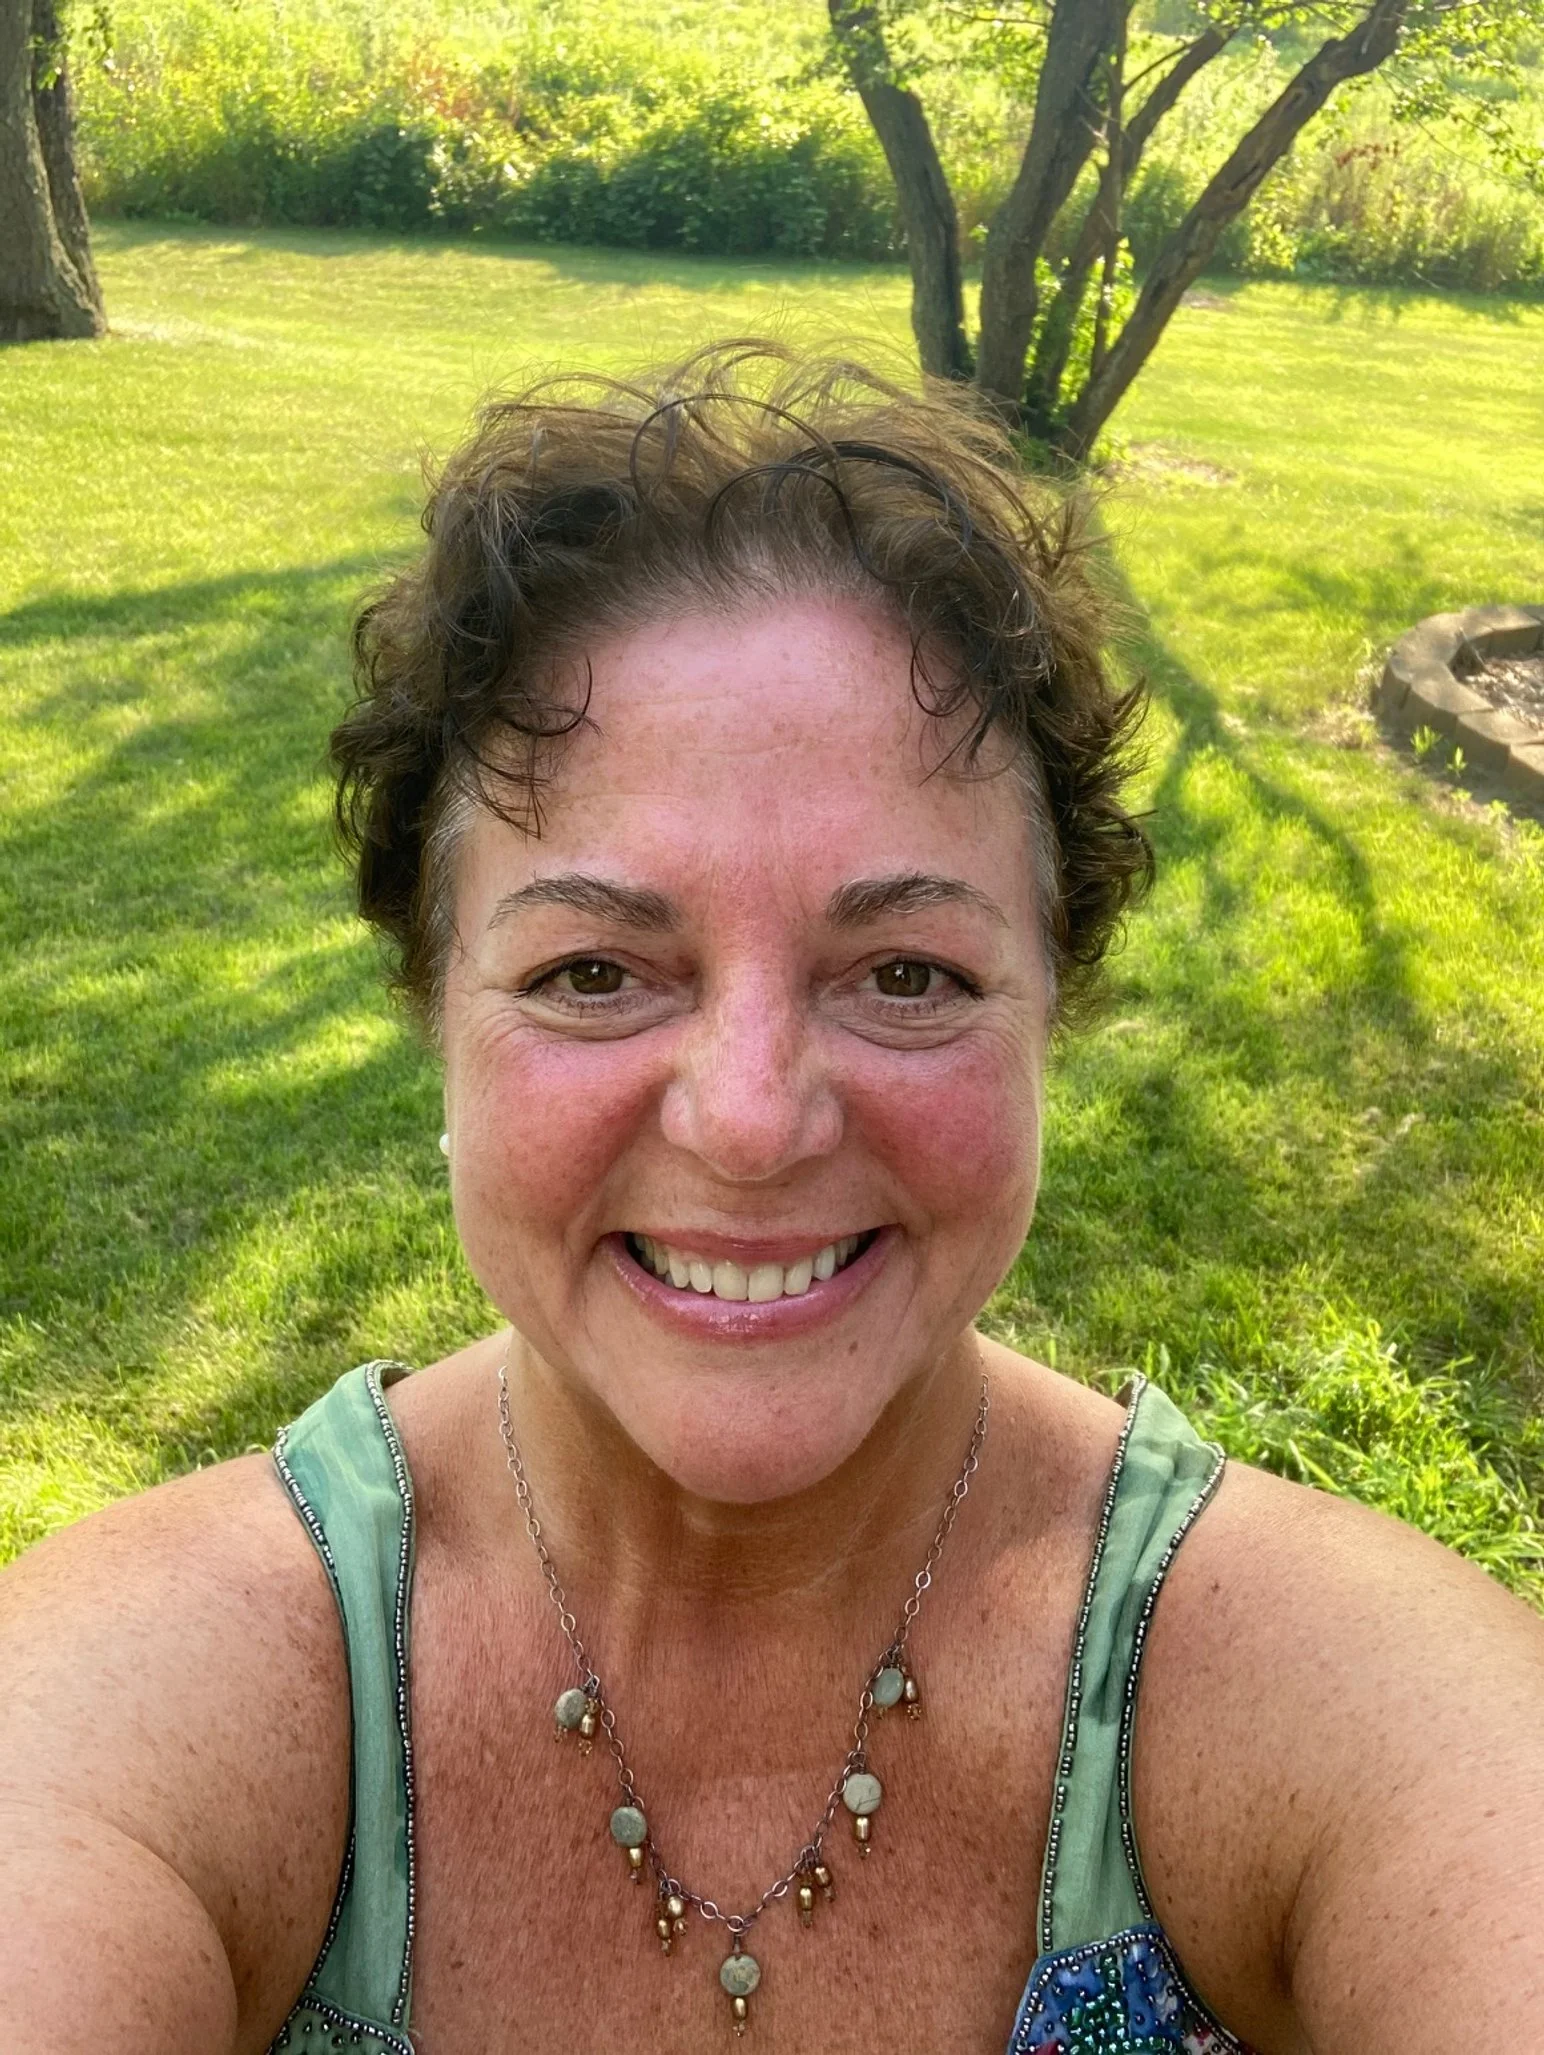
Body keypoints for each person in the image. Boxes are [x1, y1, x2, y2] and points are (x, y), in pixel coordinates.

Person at [2, 345, 1540, 2055]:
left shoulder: (1351, 1710)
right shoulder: (137, 1712)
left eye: (904, 970)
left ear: (1053, 1003)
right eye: (595, 971)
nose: (746, 1121)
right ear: (436, 1002)